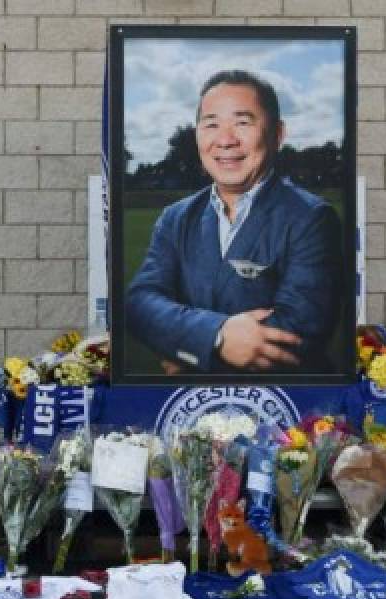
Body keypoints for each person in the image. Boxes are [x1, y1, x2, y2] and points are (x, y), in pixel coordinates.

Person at [125, 69, 343, 375]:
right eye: (211, 124)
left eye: (242, 122)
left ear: (277, 134)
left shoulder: (312, 218)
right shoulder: (176, 217)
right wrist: (214, 337)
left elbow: (296, 334)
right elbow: (139, 304)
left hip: (286, 409)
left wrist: (186, 350)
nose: (225, 140)